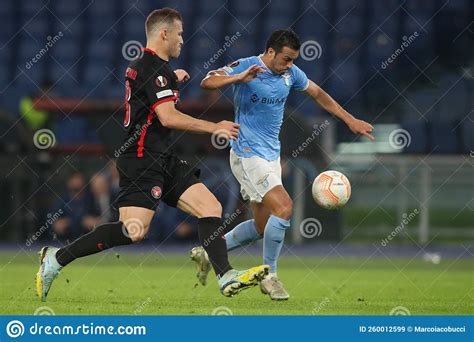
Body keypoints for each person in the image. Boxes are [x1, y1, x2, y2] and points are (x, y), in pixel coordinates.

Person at [36, 8, 268, 302]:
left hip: (162, 156)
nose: (183, 39)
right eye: (180, 33)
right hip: (142, 158)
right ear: (164, 34)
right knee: (133, 231)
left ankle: (226, 277)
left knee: (209, 206)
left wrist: (172, 78)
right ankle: (56, 259)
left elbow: (150, 92)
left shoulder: (151, 67)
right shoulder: (153, 69)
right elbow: (168, 117)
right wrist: (215, 127)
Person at [191, 29, 374, 300]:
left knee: (262, 227)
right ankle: (271, 276)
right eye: (286, 59)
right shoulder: (247, 66)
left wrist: (350, 119)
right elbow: (207, 82)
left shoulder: (291, 74)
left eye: (293, 60)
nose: (289, 65)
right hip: (247, 153)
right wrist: (239, 77)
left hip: (270, 155)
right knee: (285, 207)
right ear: (271, 52)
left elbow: (318, 93)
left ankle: (209, 252)